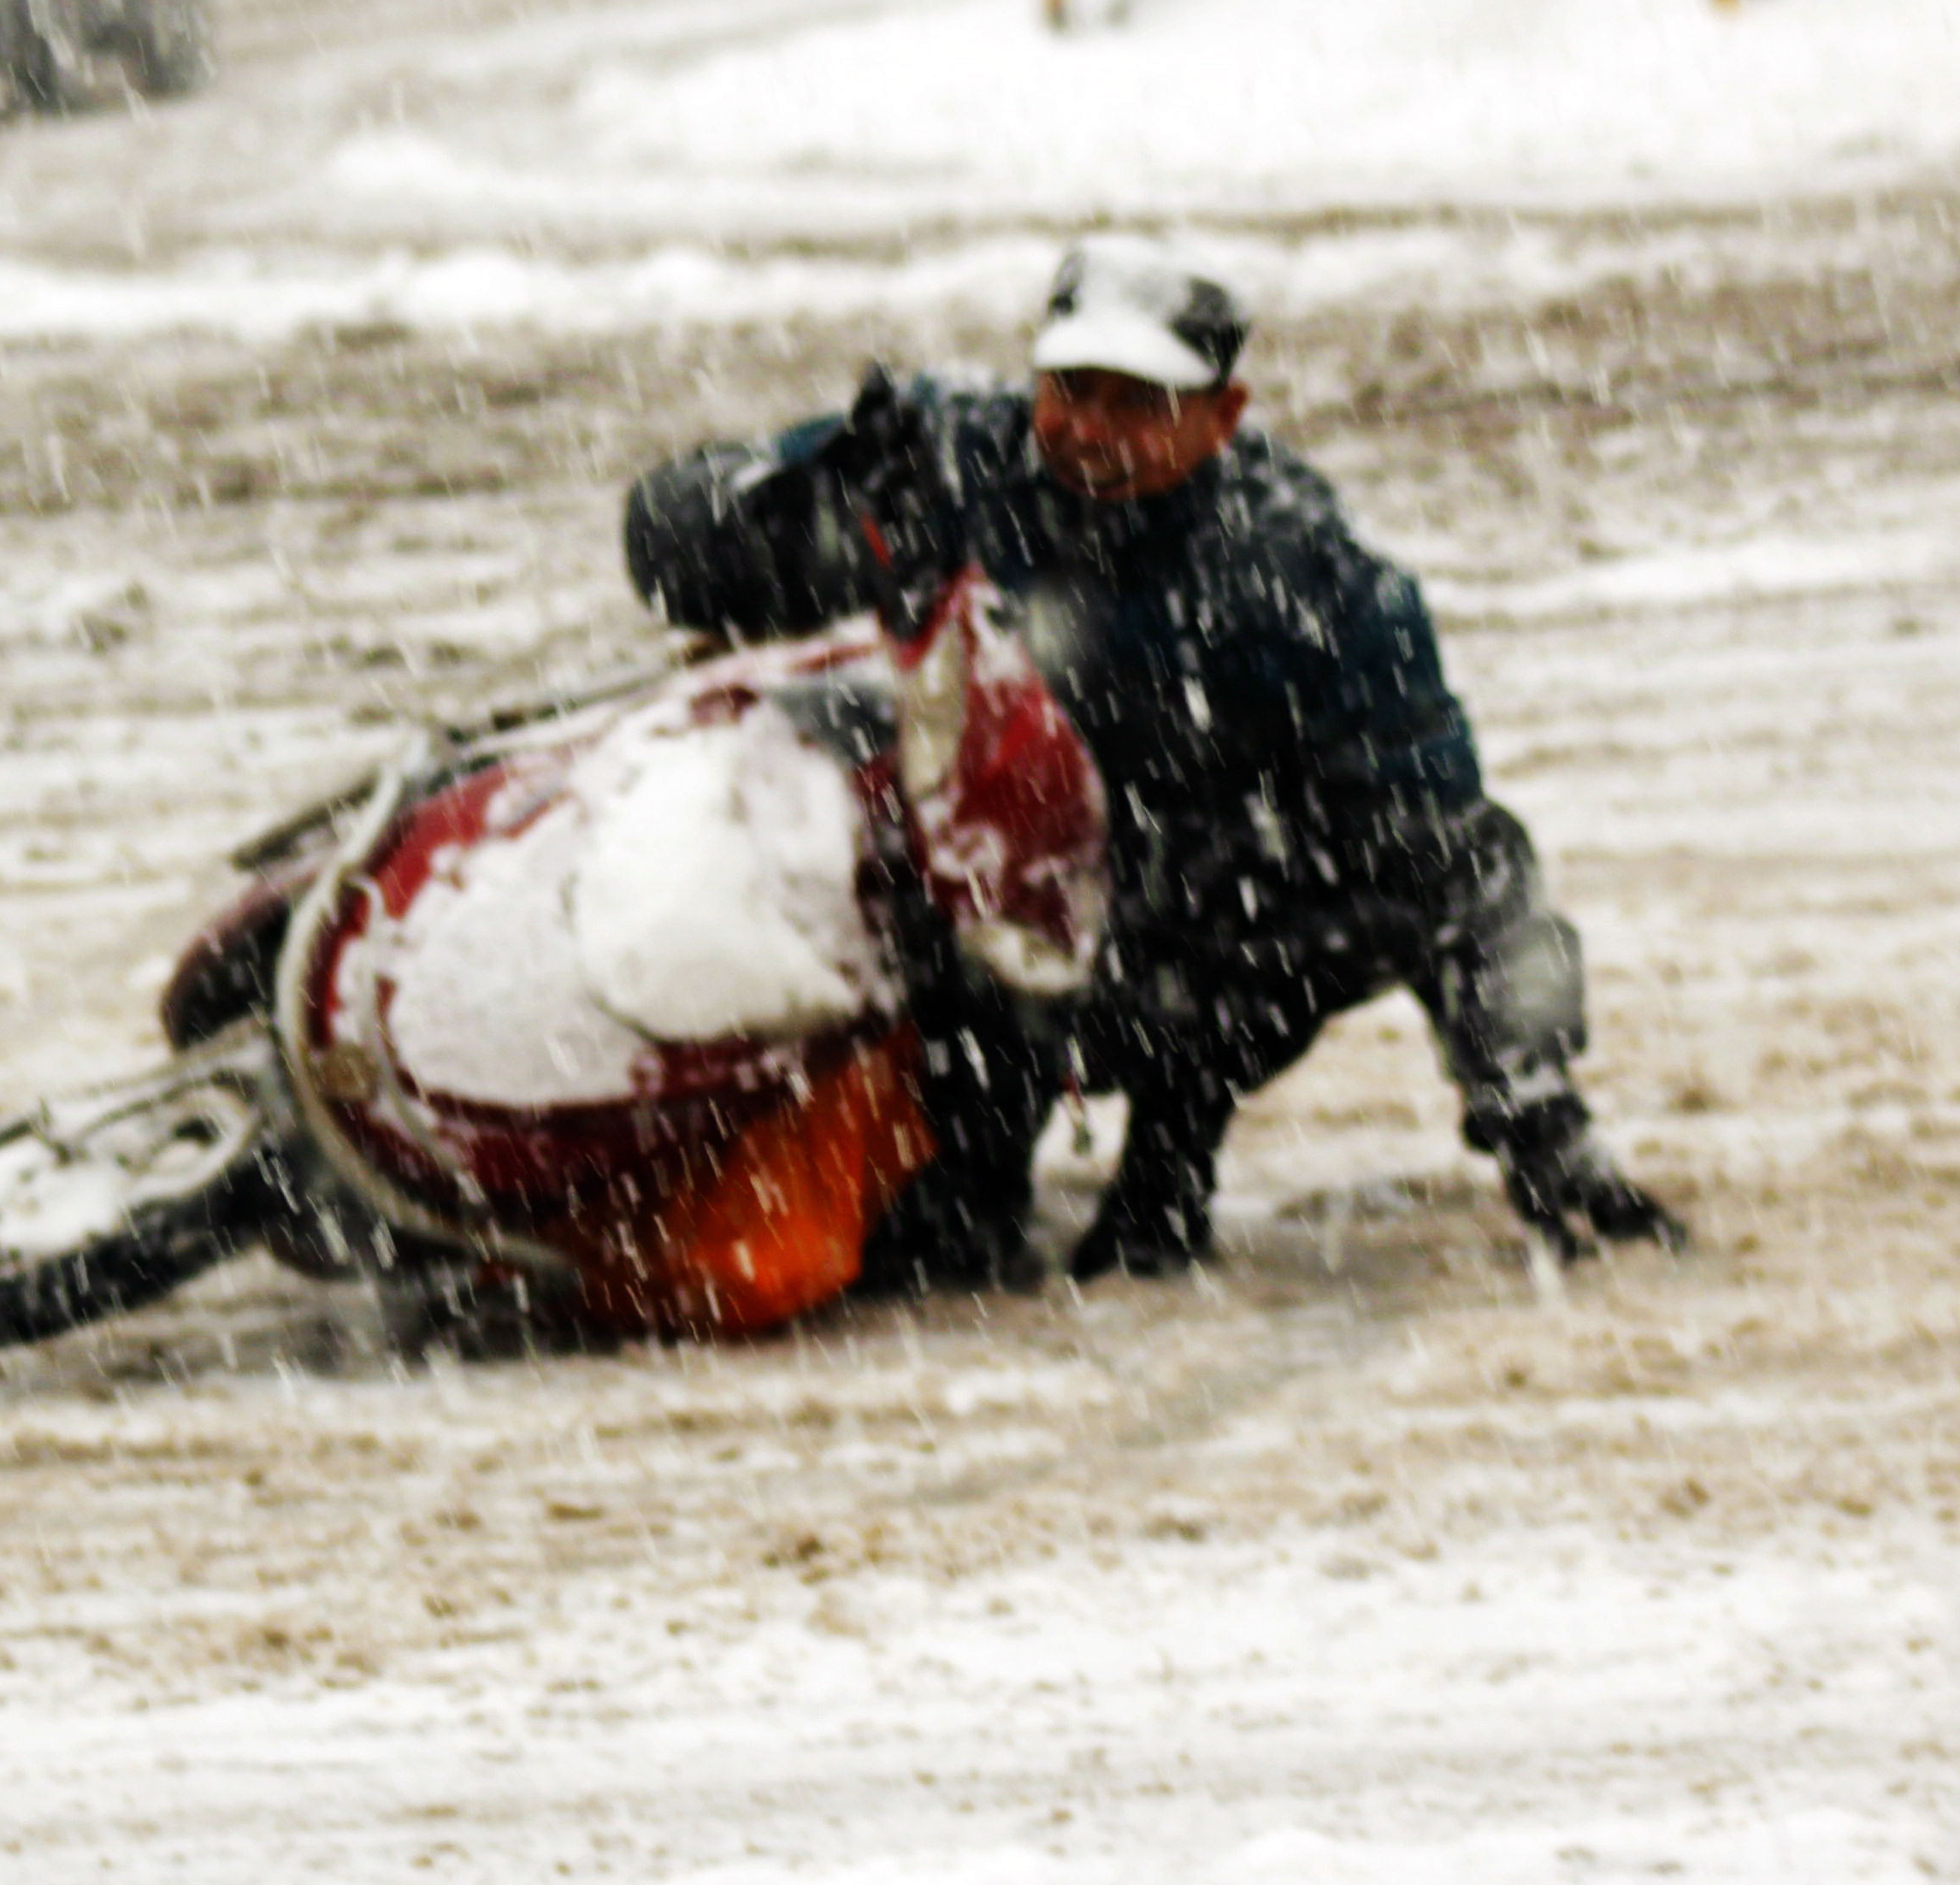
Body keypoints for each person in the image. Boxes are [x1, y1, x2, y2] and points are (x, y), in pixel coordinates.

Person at [622, 239, 1687, 1284]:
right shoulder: (946, 461)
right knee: (936, 1263)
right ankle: (959, 1183)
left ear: (1224, 417)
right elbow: (670, 551)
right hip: (965, 946)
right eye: (1070, 389)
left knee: (1466, 861)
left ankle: (1190, 1158)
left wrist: (1539, 1121)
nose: (1089, 428)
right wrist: (778, 506)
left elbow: (1442, 845)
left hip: (1195, 956)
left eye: (1138, 403)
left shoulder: (1312, 573)